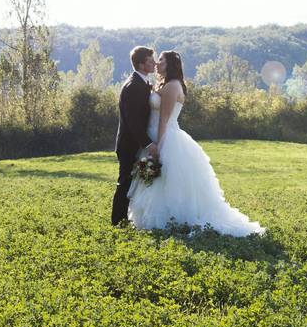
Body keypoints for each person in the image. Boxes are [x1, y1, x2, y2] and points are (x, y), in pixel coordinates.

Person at [127, 50, 265, 237]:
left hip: (166, 137)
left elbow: (164, 120)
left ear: (170, 64)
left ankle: (171, 219)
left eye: (161, 60)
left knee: (165, 179)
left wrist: (157, 147)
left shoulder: (172, 86)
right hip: (154, 136)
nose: (157, 63)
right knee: (154, 180)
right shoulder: (163, 84)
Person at [111, 46, 157, 226]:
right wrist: (147, 143)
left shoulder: (143, 82)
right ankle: (117, 221)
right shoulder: (132, 86)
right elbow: (132, 121)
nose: (153, 63)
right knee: (125, 182)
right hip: (128, 144)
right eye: (150, 60)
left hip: (136, 143)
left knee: (134, 182)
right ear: (141, 64)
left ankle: (128, 218)